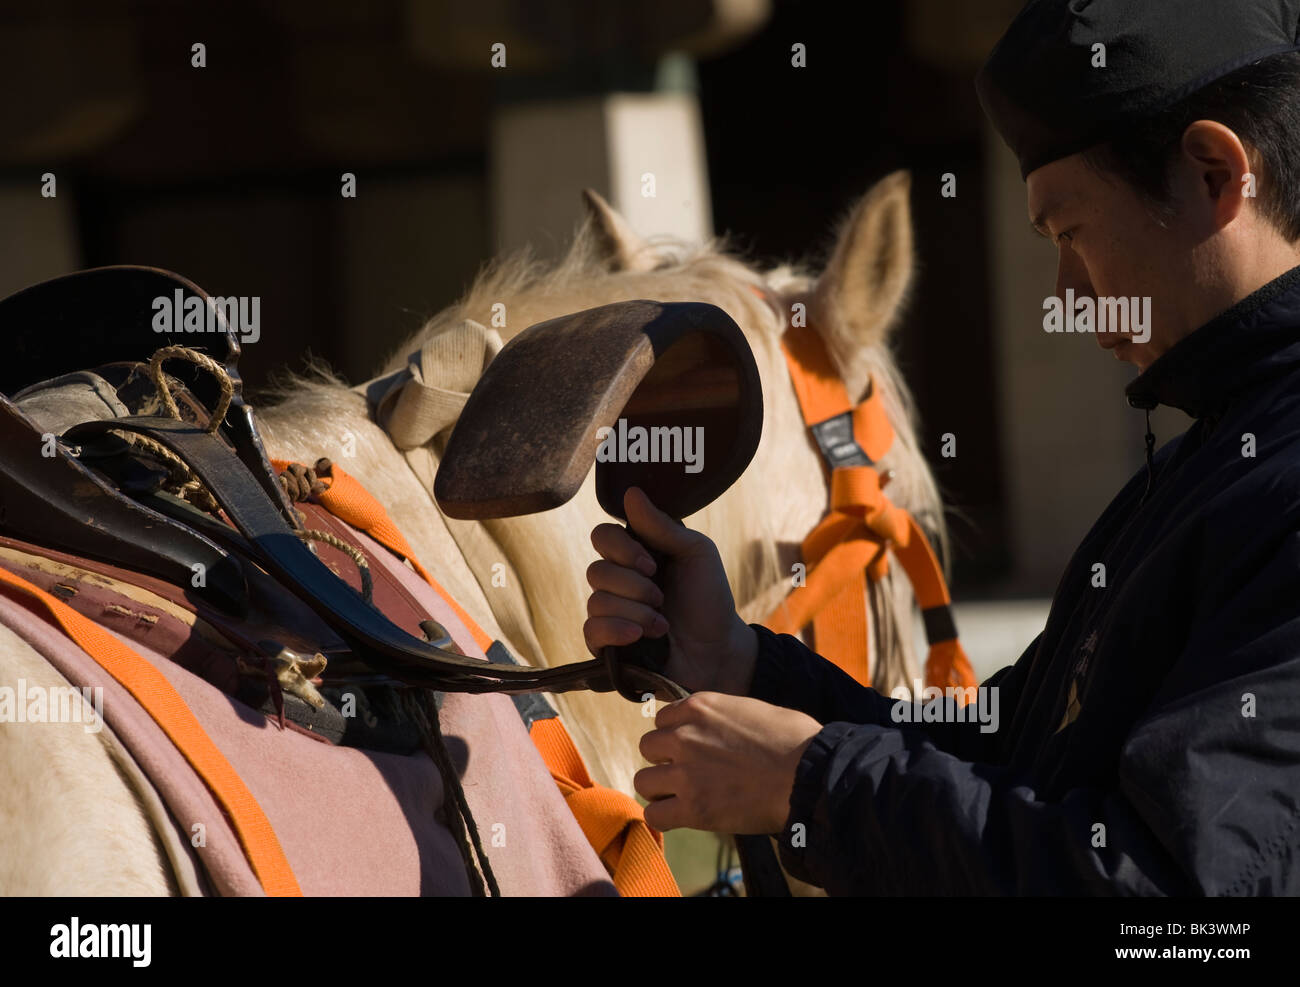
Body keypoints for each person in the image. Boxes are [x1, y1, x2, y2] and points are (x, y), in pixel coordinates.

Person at [582, 0, 1300, 895]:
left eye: (1071, 232)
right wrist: (741, 662)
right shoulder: (1199, 469)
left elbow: (1176, 908)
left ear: (1212, 172)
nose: (1067, 295)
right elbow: (1008, 755)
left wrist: (809, 784)